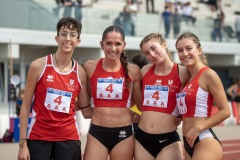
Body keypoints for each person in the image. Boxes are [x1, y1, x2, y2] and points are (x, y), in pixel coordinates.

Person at [17, 17, 92, 160]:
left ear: (78, 41)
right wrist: (22, 143)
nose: (67, 38)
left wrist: (115, 112)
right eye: (63, 34)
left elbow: (85, 109)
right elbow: (25, 106)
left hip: (69, 139)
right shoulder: (38, 66)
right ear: (57, 38)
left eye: (72, 34)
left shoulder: (80, 73)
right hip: (38, 137)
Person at [83, 25, 142, 160]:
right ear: (101, 44)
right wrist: (85, 109)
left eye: (117, 44)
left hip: (124, 133)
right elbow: (83, 96)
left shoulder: (133, 71)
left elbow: (141, 105)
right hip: (97, 132)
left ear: (124, 45)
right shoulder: (90, 67)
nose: (113, 48)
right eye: (108, 43)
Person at [175, 32, 230, 160]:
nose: (184, 53)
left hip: (205, 140)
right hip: (188, 141)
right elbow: (194, 109)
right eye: (180, 50)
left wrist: (198, 128)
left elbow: (226, 111)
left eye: (189, 48)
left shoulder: (209, 75)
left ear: (199, 50)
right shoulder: (187, 79)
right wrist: (180, 117)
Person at [134, 33, 189, 160]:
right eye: (147, 53)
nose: (152, 55)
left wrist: (181, 115)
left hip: (168, 140)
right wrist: (131, 113)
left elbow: (193, 97)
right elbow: (136, 101)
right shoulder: (144, 71)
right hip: (142, 139)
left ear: (164, 45)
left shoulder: (183, 72)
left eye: (154, 48)